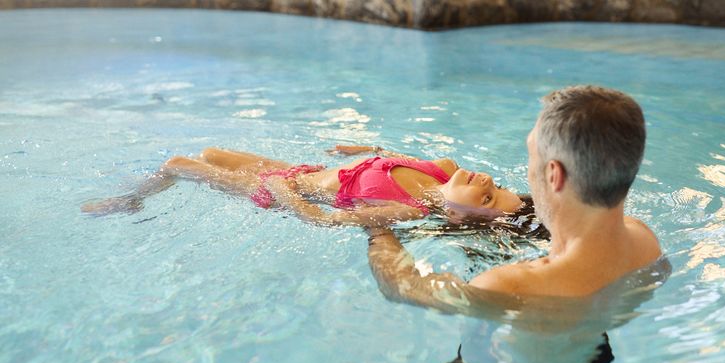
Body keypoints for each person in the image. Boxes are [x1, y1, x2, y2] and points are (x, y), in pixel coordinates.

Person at [366, 84, 663, 303]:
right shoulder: (645, 241)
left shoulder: (508, 286)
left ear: (553, 175)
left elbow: (401, 286)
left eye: (531, 155)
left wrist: (376, 227)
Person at [81, 145, 524, 227]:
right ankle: (136, 197)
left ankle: (129, 201)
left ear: (456, 214)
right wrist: (365, 147)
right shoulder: (445, 169)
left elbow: (324, 220)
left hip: (285, 188)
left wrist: (282, 193)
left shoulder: (408, 210)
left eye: (486, 196)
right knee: (211, 151)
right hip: (299, 169)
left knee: (177, 164)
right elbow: (393, 154)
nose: (485, 180)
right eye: (496, 184)